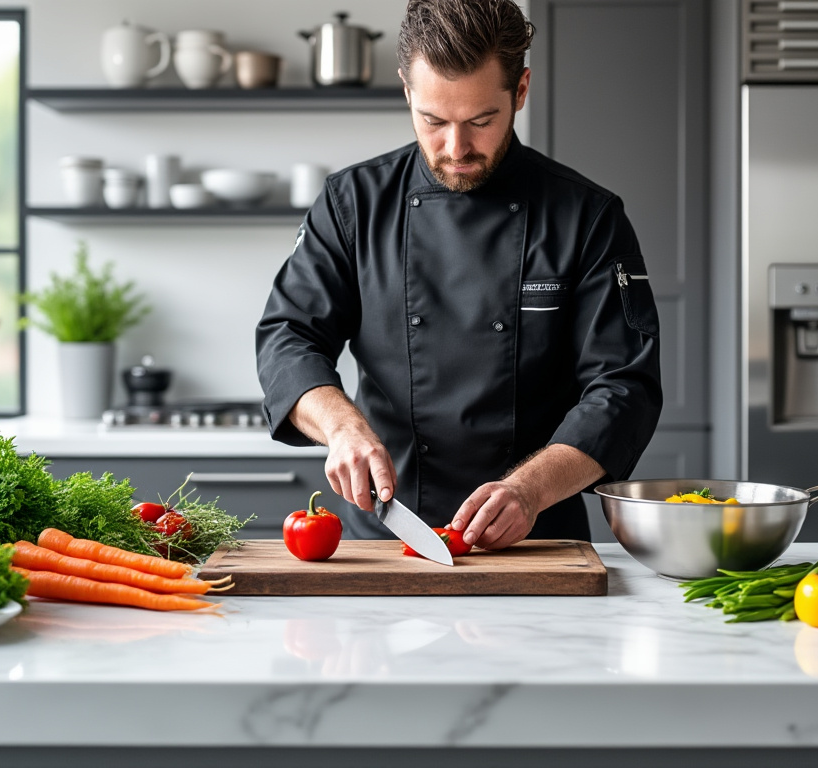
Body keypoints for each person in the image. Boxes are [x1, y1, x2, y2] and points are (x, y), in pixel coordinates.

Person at [256, 0, 661, 550]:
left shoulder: (585, 216)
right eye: (433, 120)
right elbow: (289, 336)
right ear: (406, 90)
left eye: (481, 121)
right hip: (380, 536)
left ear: (520, 90)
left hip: (535, 539)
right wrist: (341, 428)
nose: (456, 148)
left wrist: (529, 491)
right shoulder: (353, 203)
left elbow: (623, 388)